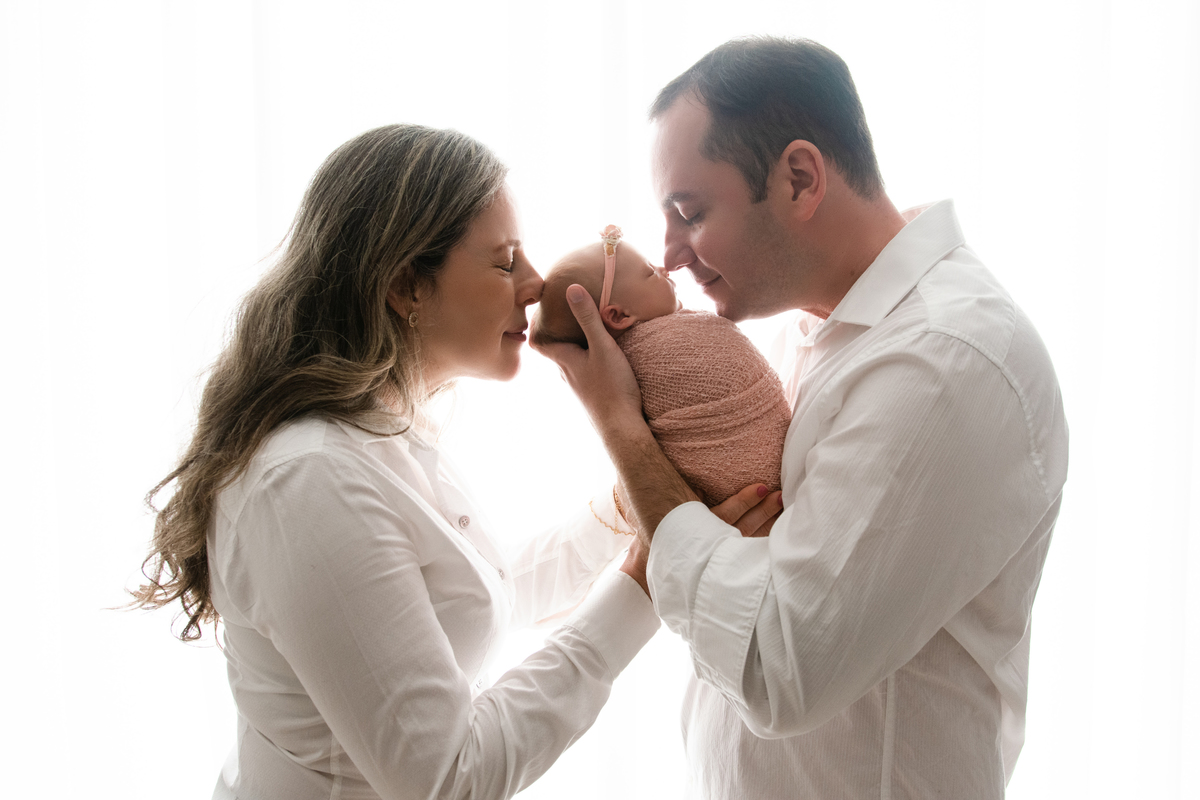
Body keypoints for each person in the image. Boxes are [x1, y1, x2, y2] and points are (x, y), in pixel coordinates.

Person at [534, 37, 1069, 799]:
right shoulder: (795, 342)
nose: (671, 255)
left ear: (799, 177)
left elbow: (774, 666)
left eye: (690, 212)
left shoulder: (945, 362)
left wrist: (622, 428)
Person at [131, 124, 669, 800]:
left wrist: (627, 511)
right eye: (505, 261)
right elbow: (447, 779)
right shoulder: (310, 478)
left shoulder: (384, 438)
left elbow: (479, 600)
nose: (536, 285)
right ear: (405, 286)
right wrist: (646, 584)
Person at [531, 225, 791, 507]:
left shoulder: (677, 335)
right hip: (744, 492)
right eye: (650, 272)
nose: (665, 269)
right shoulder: (649, 358)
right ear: (618, 315)